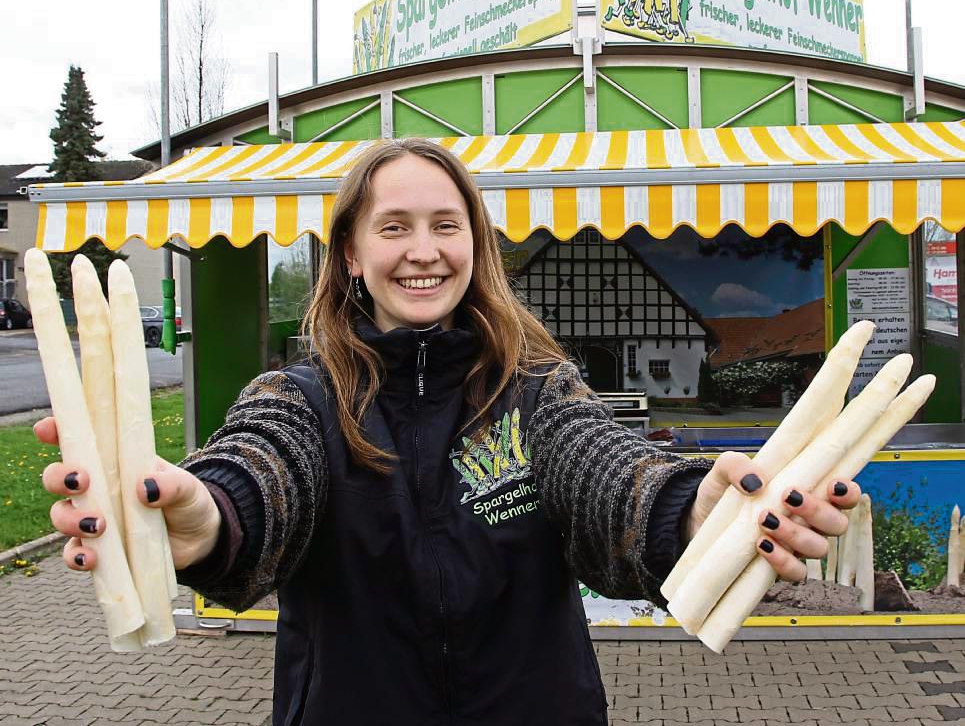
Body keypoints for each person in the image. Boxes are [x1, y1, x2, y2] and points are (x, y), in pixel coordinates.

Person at [38, 138, 860, 726]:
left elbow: (610, 474)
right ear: (351, 255)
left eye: (446, 225)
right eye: (393, 227)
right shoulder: (298, 397)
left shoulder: (539, 392)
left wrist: (695, 509)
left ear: (476, 245)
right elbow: (260, 470)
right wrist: (200, 515)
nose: (422, 251)